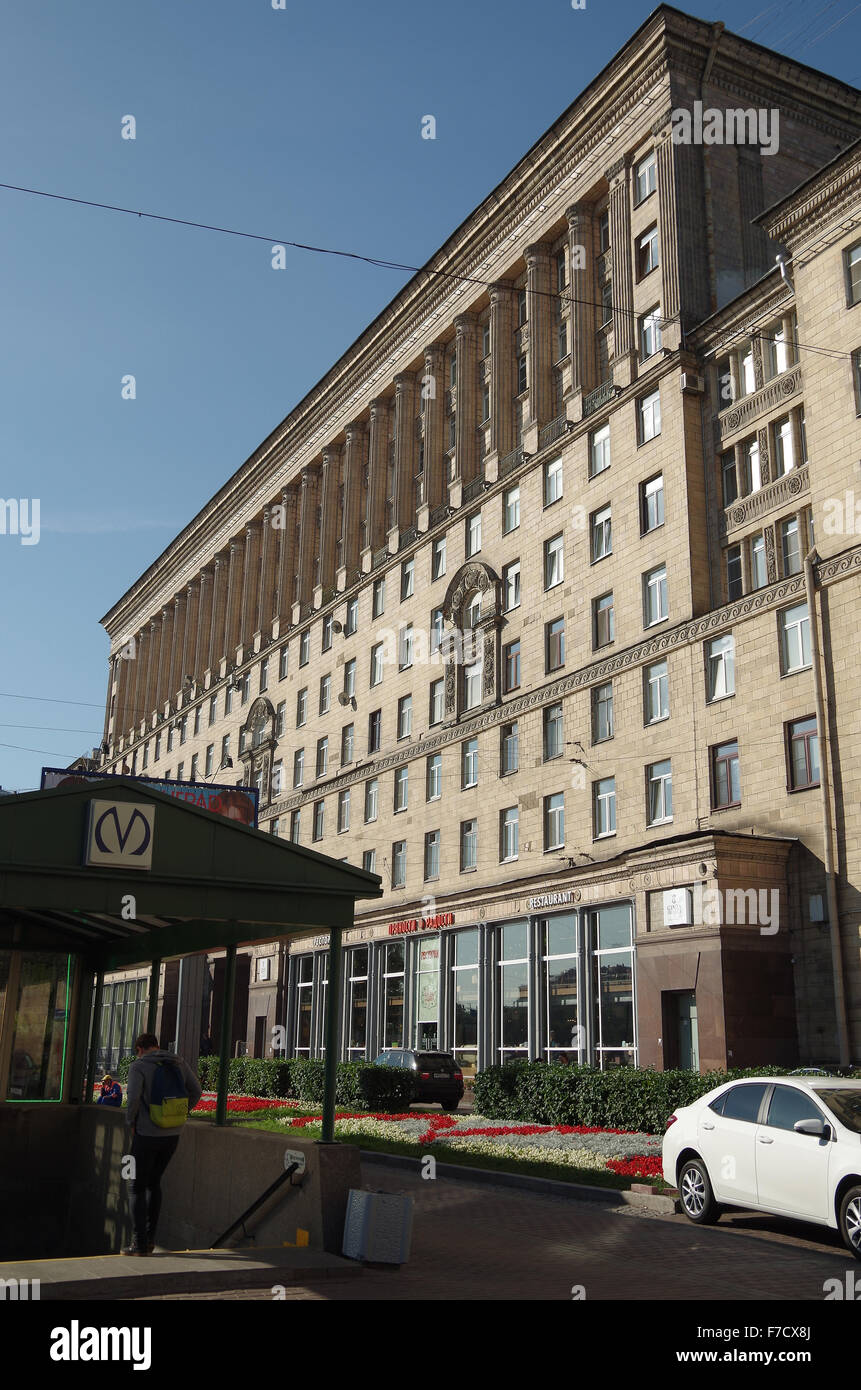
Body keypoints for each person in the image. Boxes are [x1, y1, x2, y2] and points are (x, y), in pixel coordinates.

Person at [122, 1032, 202, 1256]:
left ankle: (138, 1244)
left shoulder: (139, 1066)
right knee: (154, 1183)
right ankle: (149, 1241)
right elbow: (196, 1091)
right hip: (172, 1135)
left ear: (139, 1049)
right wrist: (180, 1113)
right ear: (157, 1046)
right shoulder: (177, 1061)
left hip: (146, 1135)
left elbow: (134, 1098)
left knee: (135, 1186)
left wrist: (131, 1122)